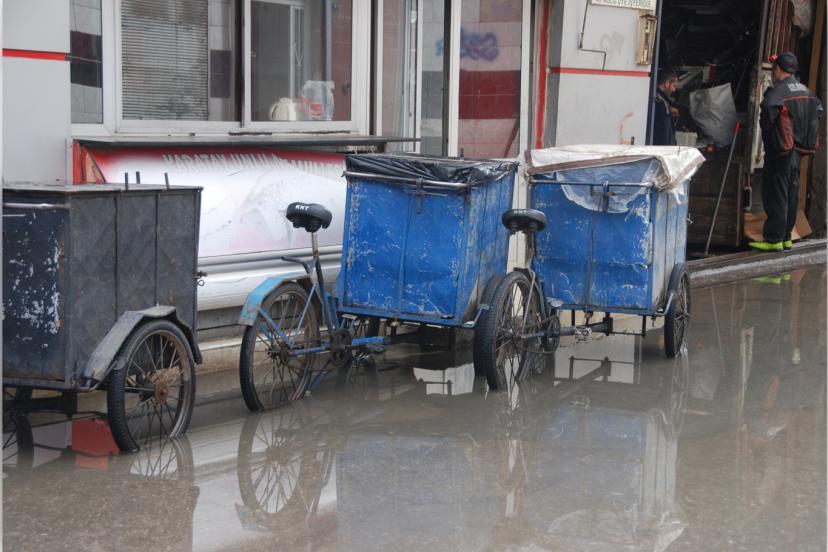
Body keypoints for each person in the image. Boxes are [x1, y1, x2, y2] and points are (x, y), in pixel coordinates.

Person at [751, 52, 823, 252]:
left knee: (777, 194)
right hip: (798, 151)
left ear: (778, 69)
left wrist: (770, 136)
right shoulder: (807, 91)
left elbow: (768, 111)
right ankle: (786, 237)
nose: (772, 72)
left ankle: (774, 238)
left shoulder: (778, 92)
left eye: (774, 68)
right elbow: (818, 110)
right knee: (791, 193)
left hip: (781, 151)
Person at [653, 68, 679, 145]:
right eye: (674, 86)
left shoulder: (659, 99)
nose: (674, 90)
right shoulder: (660, 102)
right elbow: (663, 134)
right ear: (667, 83)